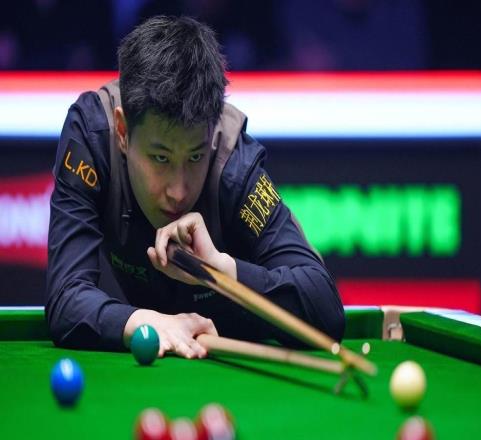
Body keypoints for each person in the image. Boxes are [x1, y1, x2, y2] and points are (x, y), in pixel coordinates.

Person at [45, 16, 345, 359]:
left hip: (236, 368)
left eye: (195, 157)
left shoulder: (235, 167)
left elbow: (325, 309)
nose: (178, 191)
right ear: (123, 132)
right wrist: (146, 323)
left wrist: (220, 270)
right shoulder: (93, 139)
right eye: (160, 158)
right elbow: (66, 297)